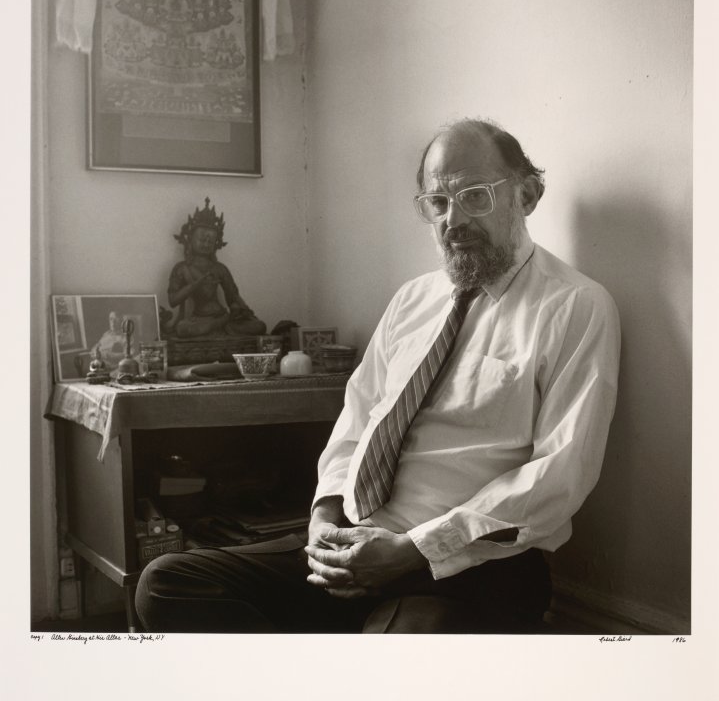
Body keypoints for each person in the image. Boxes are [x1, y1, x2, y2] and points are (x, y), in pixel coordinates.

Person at [136, 118, 621, 633]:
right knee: (165, 584)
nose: (453, 219)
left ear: (526, 194)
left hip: (472, 566)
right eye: (438, 202)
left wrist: (413, 549)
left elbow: (561, 475)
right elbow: (358, 417)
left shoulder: (576, 306)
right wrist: (324, 517)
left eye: (474, 196)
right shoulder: (413, 300)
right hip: (358, 538)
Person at [165, 197, 266, 338]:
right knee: (183, 329)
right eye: (201, 239)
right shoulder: (181, 268)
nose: (206, 244)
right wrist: (194, 285)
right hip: (198, 319)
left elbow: (233, 297)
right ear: (190, 240)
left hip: (222, 315)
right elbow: (173, 300)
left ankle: (216, 326)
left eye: (210, 241)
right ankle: (216, 326)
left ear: (215, 244)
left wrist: (243, 310)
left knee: (259, 326)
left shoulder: (220, 269)